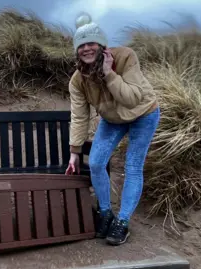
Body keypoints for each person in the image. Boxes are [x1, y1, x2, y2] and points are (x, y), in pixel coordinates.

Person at [65, 13, 160, 246]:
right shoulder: (78, 80)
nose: (87, 49)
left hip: (143, 114)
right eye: (81, 45)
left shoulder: (125, 57)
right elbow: (79, 116)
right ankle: (106, 214)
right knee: (96, 162)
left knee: (133, 166)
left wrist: (109, 73)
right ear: (76, 50)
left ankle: (123, 222)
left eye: (91, 43)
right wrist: (74, 151)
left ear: (101, 45)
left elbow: (131, 98)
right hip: (112, 119)